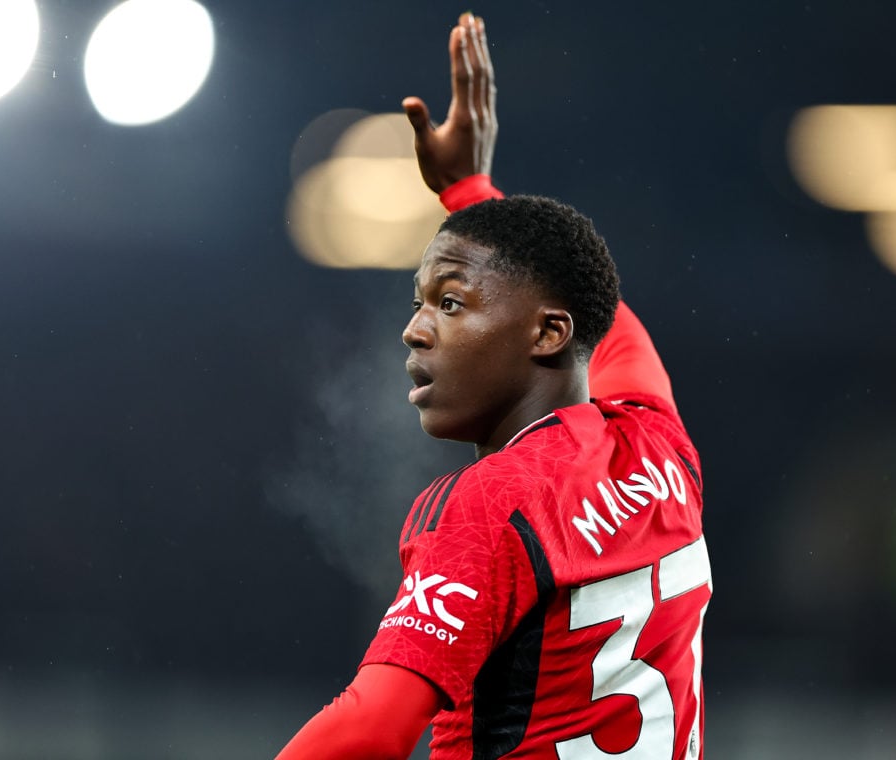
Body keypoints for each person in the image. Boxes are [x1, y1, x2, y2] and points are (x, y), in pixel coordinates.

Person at [275, 13, 710, 760]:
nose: (415, 330)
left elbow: (372, 729)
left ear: (546, 335)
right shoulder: (659, 447)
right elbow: (603, 320)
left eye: (450, 302)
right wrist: (470, 191)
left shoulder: (492, 504)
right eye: (418, 303)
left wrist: (472, 192)